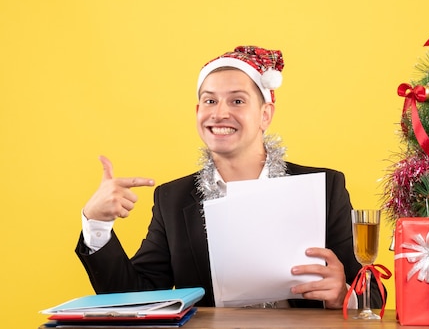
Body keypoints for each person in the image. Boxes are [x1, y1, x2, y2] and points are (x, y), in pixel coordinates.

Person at [76, 46, 384, 309]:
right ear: (198, 111)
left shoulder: (324, 187)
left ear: (266, 114)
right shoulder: (173, 199)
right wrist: (97, 225)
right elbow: (138, 299)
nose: (219, 113)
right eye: (210, 101)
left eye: (237, 101)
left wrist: (343, 294)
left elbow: (371, 296)